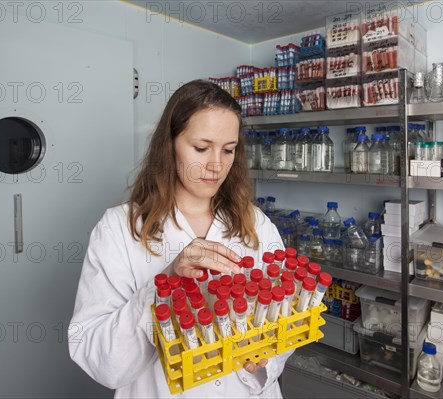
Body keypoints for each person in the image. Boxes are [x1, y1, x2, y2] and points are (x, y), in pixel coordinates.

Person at [68, 80, 289, 398]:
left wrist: (266, 355)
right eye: (201, 148)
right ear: (169, 145)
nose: (216, 165)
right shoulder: (118, 228)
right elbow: (100, 360)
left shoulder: (256, 224)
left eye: (228, 150)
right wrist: (165, 285)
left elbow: (283, 319)